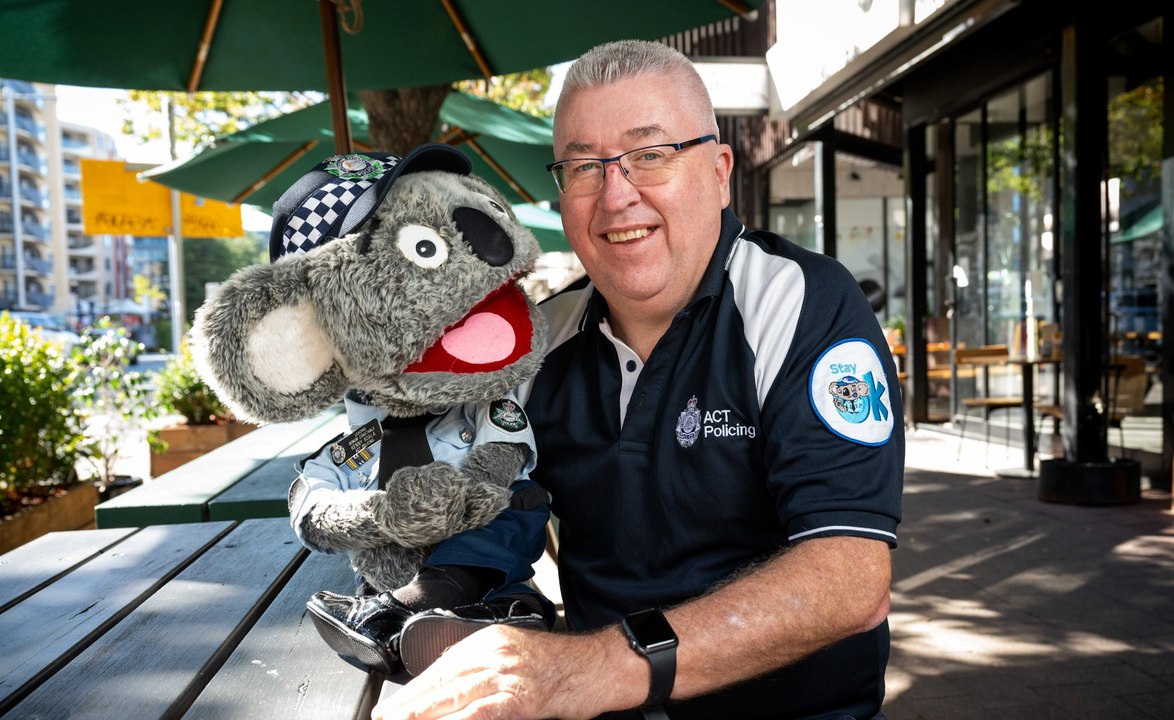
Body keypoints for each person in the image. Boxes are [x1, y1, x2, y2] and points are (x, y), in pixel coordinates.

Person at [373, 39, 903, 720]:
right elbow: (494, 506)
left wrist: (594, 668)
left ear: (718, 172)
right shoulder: (538, 343)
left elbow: (849, 578)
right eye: (584, 167)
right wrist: (445, 586)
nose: (616, 195)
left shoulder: (800, 301)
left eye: (649, 155)